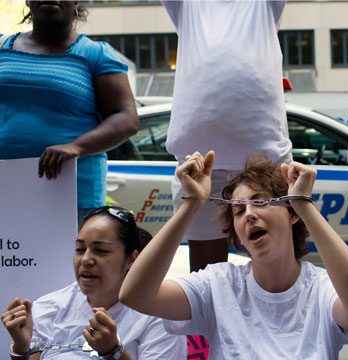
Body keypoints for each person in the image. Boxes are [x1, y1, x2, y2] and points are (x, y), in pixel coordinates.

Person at [119, 152, 348, 358]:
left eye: (259, 201)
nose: (249, 215)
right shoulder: (218, 284)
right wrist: (190, 205)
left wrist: (304, 203)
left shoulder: (322, 288)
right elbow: (135, 295)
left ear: (291, 213)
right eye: (238, 211)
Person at [161, 0, 293, 270]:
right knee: (206, 276)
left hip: (265, 166)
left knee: (277, 269)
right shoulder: (188, 5)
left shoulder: (263, 4)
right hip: (199, 169)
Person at [0, 1, 138, 227]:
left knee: (70, 262)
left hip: (72, 194)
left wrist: (77, 147)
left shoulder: (95, 54)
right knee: (12, 261)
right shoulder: (2, 47)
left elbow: (126, 119)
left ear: (75, 2)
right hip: (8, 188)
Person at [1, 206, 187, 359]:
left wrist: (113, 352)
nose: (86, 259)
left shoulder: (159, 317)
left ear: (131, 259)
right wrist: (21, 348)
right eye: (80, 249)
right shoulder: (48, 308)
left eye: (101, 251)